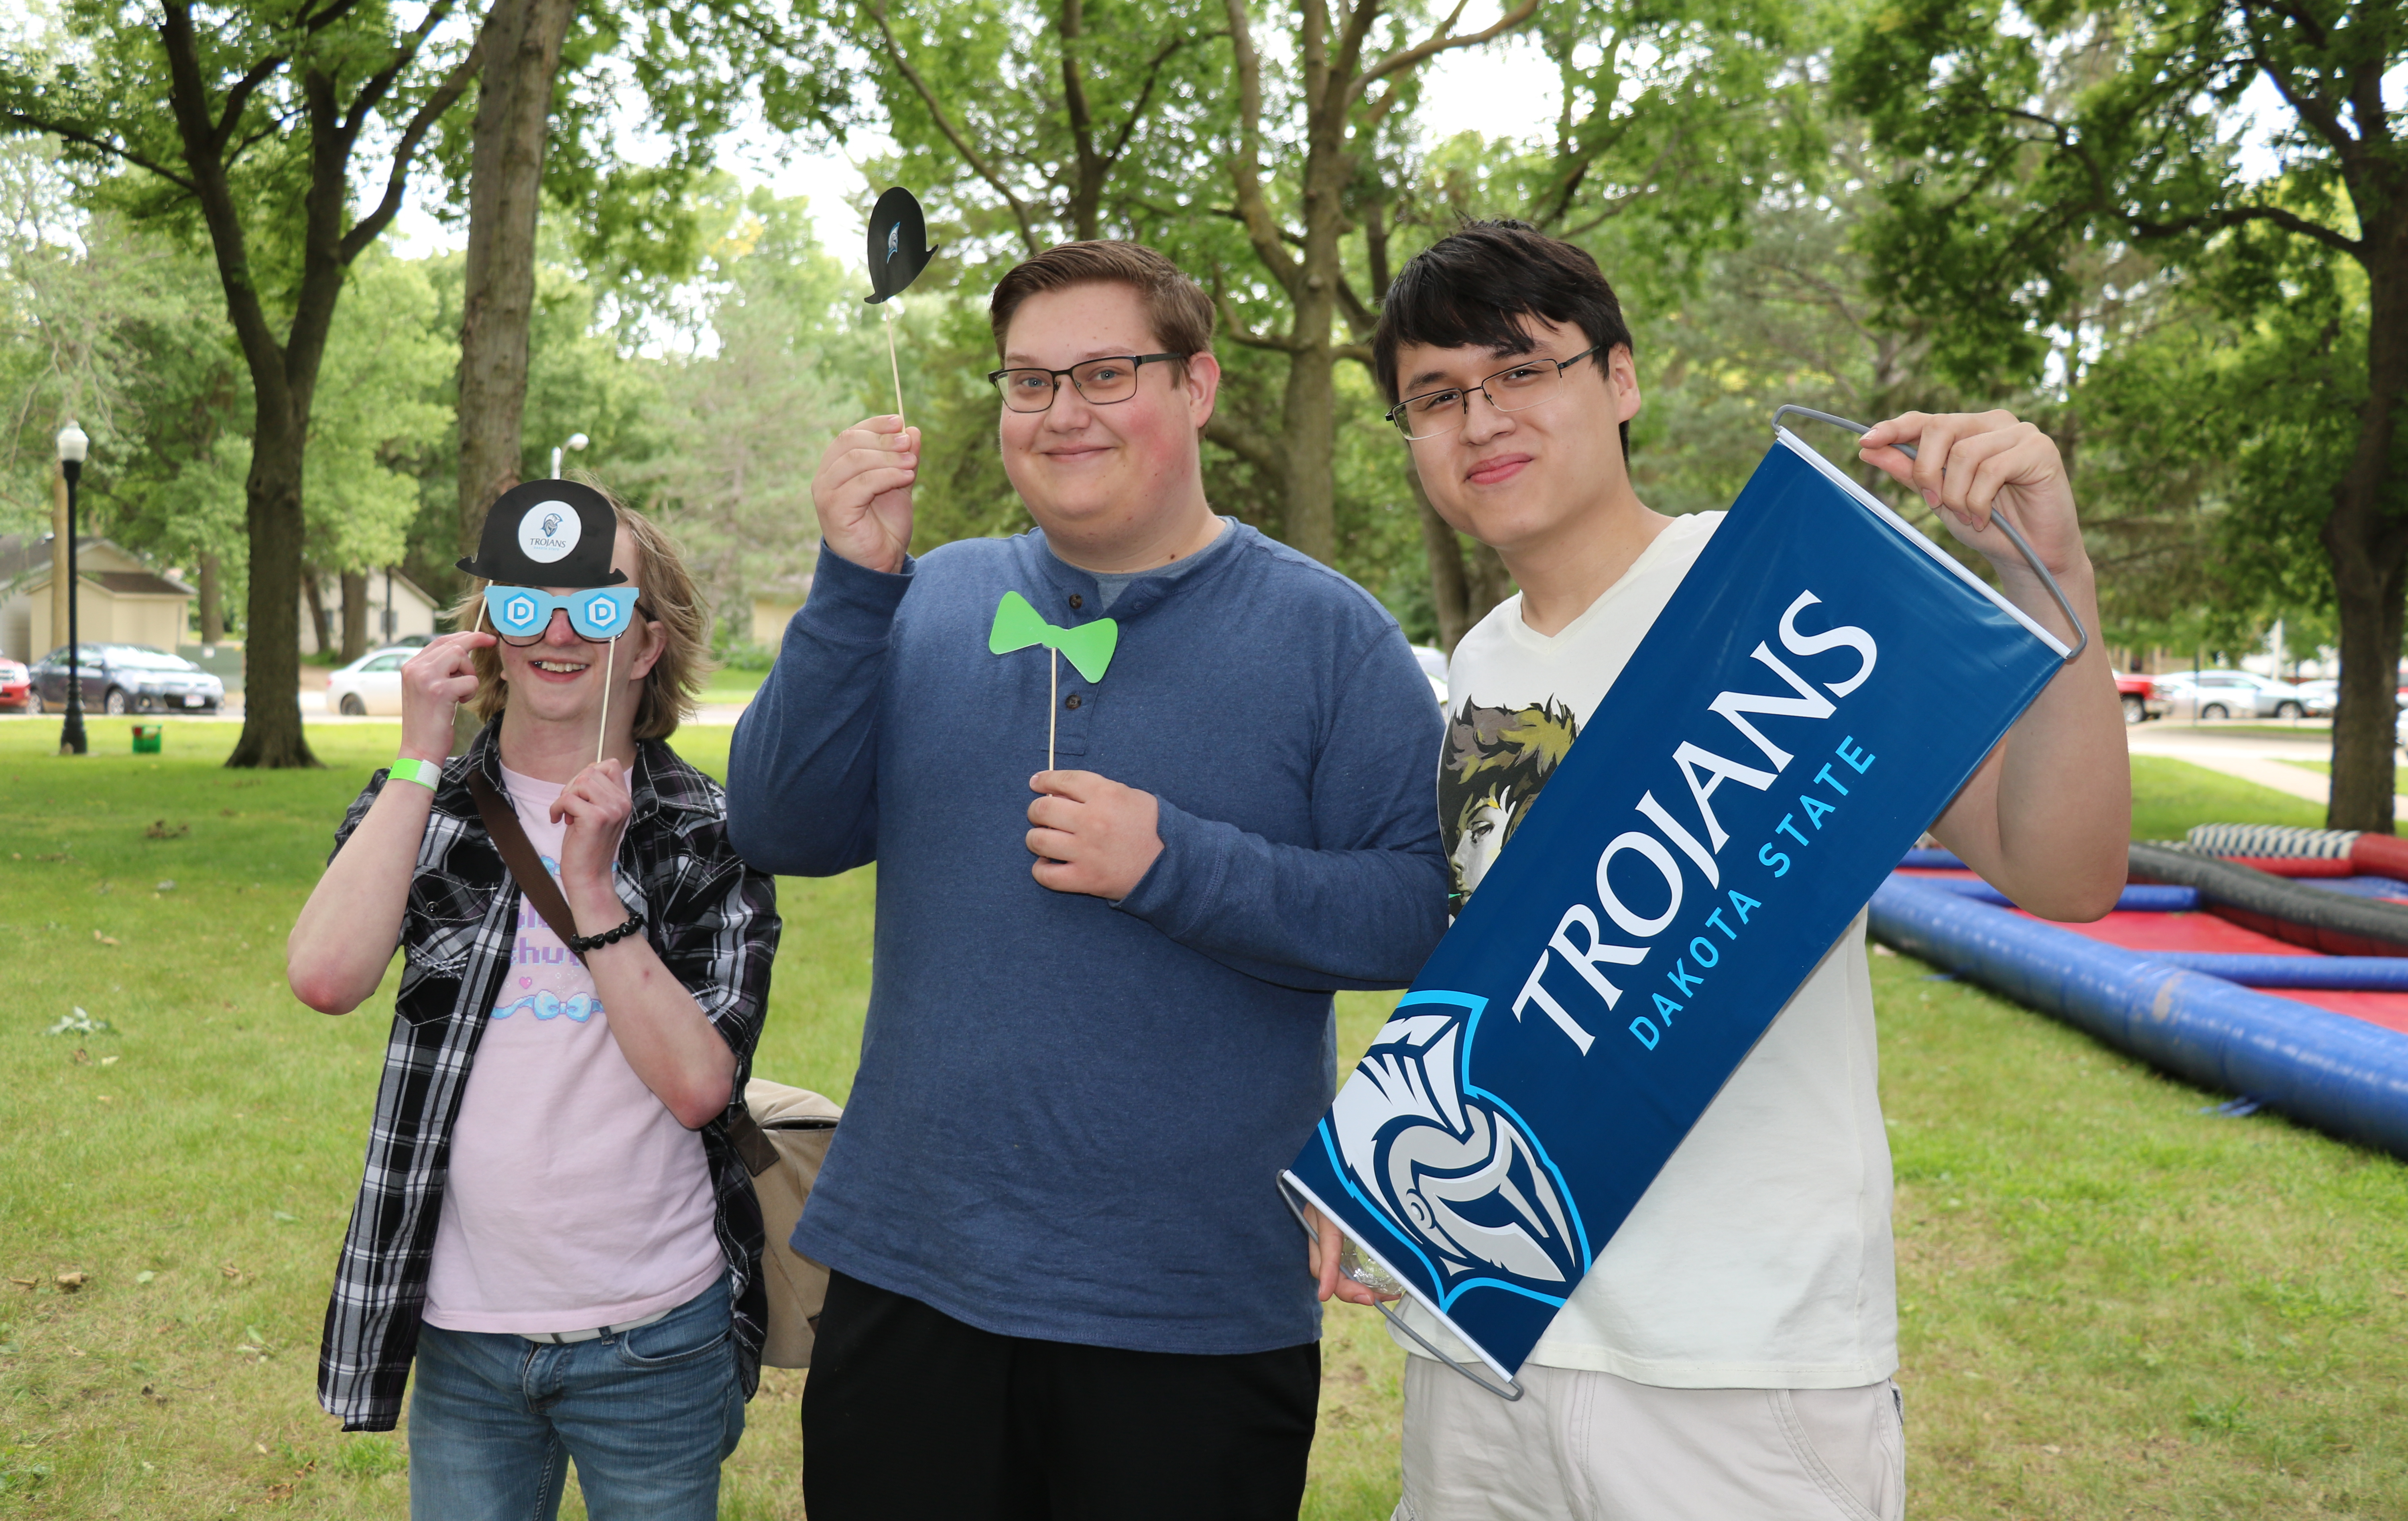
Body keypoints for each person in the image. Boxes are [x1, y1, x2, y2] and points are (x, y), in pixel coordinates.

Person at [1312, 220, 2129, 1520]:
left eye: (1522, 370)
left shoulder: (1781, 601)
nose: (1481, 421)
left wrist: (2060, 576)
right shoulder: (1477, 665)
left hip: (1740, 1366)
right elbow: (1504, 967)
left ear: (1620, 381)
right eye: (1437, 396)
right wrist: (1381, 1169)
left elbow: (2064, 870)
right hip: (1485, 1338)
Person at [725, 240, 1451, 1520]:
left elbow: (1415, 911)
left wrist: (1175, 863)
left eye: (1106, 373)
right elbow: (781, 823)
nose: (1062, 413)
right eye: (1028, 382)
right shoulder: (927, 602)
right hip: (910, 1279)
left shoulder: (1334, 637)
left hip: (1191, 1310)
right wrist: (851, 584)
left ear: (1201, 387)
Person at [289, 481, 780, 1521]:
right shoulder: (420, 810)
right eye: (525, 601)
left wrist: (595, 894)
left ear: (646, 645)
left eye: (597, 603)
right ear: (488, 633)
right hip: (464, 1335)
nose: (559, 630)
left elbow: (700, 1088)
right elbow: (327, 979)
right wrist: (419, 753)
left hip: (656, 1335)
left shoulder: (707, 832)